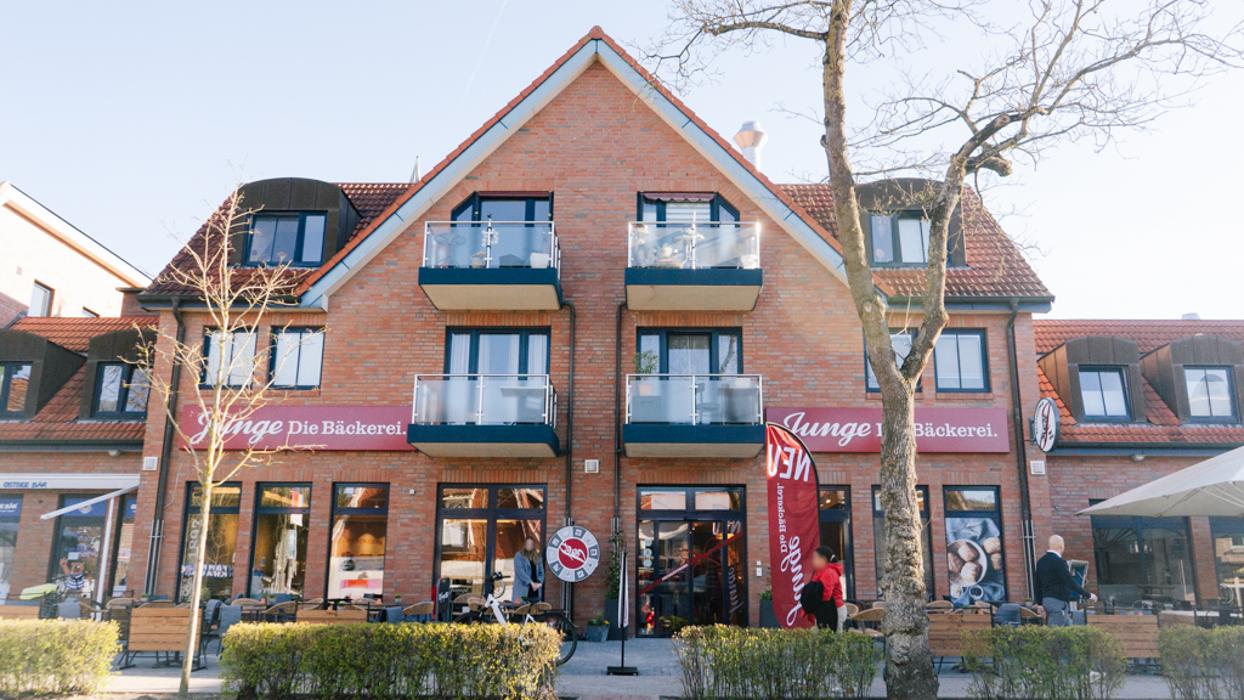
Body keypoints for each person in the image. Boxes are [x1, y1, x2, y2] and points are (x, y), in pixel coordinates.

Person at [1036, 534, 1096, 626]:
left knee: (1069, 629)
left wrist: (1039, 603)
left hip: (1047, 601)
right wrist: (1088, 595)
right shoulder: (1059, 562)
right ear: (1061, 546)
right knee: (1056, 634)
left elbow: (1037, 584)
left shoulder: (1041, 562)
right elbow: (1070, 582)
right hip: (1058, 602)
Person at [806, 546, 840, 630]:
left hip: (832, 610)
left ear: (823, 559)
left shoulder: (828, 573)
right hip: (825, 609)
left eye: (815, 558)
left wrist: (814, 603)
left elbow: (826, 594)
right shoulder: (822, 572)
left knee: (833, 637)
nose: (813, 561)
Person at [512, 537, 544, 604]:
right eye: (528, 543)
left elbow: (541, 572)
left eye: (531, 544)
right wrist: (531, 583)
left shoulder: (538, 557)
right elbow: (520, 571)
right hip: (522, 590)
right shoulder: (518, 556)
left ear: (533, 545)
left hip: (535, 590)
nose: (529, 545)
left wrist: (539, 583)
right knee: (520, 610)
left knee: (533, 612)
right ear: (524, 544)